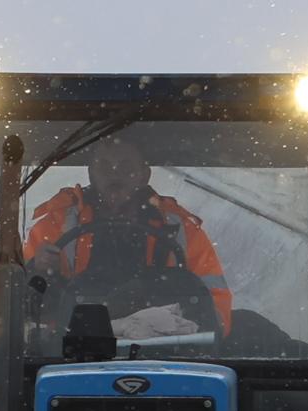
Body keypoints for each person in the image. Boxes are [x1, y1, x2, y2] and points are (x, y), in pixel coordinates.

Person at [24, 134, 231, 340]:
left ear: (144, 174)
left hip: (166, 349)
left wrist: (188, 329)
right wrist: (39, 271)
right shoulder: (54, 228)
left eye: (126, 166)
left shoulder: (181, 231)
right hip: (73, 350)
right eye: (104, 167)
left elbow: (215, 312)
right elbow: (24, 311)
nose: (114, 175)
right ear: (91, 173)